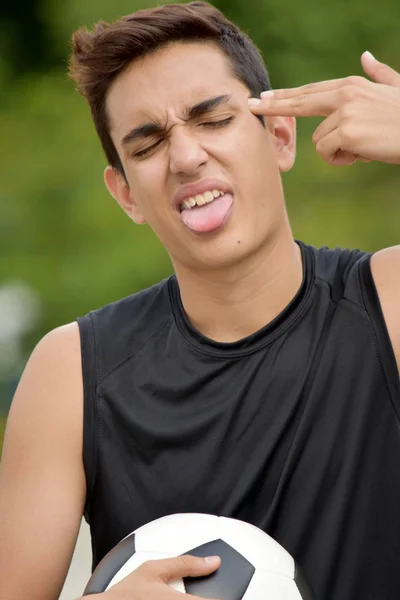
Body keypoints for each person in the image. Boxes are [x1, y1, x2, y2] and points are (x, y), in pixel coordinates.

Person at [0, 2, 399, 599]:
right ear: (126, 194)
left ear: (280, 135)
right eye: (148, 144)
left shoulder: (388, 307)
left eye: (212, 120)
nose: (186, 157)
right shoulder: (72, 376)